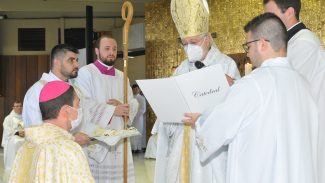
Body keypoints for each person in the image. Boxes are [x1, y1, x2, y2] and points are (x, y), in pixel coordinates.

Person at [184, 13, 318, 183]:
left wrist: (200, 120)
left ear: (262, 44)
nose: (247, 53)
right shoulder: (305, 86)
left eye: (248, 46)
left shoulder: (252, 85)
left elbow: (217, 128)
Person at [154, 1, 241, 183]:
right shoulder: (181, 69)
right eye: (184, 43)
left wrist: (231, 87)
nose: (188, 48)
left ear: (207, 38)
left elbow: (237, 109)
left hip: (211, 148)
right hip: (182, 142)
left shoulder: (226, 65)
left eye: (193, 42)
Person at [263, 1, 325, 181]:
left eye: (271, 15)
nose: (267, 22)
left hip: (309, 129)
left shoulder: (303, 43)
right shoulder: (291, 43)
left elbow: (282, 87)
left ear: (289, 12)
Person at [22, 44, 114, 146]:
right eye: (71, 60)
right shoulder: (38, 90)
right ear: (56, 62)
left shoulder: (75, 90)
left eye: (76, 60)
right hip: (50, 155)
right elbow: (36, 130)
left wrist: (104, 133)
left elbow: (84, 119)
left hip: (75, 152)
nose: (76, 65)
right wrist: (72, 139)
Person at [75, 36, 138, 183]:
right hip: (97, 137)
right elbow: (83, 103)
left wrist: (123, 106)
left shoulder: (123, 76)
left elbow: (132, 102)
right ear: (97, 51)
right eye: (107, 49)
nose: (111, 52)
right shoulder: (86, 73)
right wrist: (111, 110)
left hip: (120, 136)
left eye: (114, 49)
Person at [9, 81, 95, 183]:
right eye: (77, 105)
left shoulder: (26, 146)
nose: (79, 109)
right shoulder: (69, 149)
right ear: (67, 110)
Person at [1, 101, 24, 171]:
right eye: (17, 106)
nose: (19, 108)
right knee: (16, 141)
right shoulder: (8, 118)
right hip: (12, 137)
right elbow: (7, 130)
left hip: (24, 135)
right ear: (13, 107)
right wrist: (17, 132)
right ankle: (13, 166)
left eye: (20, 106)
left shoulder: (25, 117)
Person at [130, 84, 146, 152]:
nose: (135, 90)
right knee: (131, 132)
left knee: (138, 132)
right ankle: (132, 148)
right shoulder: (130, 98)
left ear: (139, 90)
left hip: (138, 118)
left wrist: (136, 115)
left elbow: (143, 109)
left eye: (136, 89)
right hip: (131, 118)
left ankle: (137, 148)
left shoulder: (141, 98)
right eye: (134, 89)